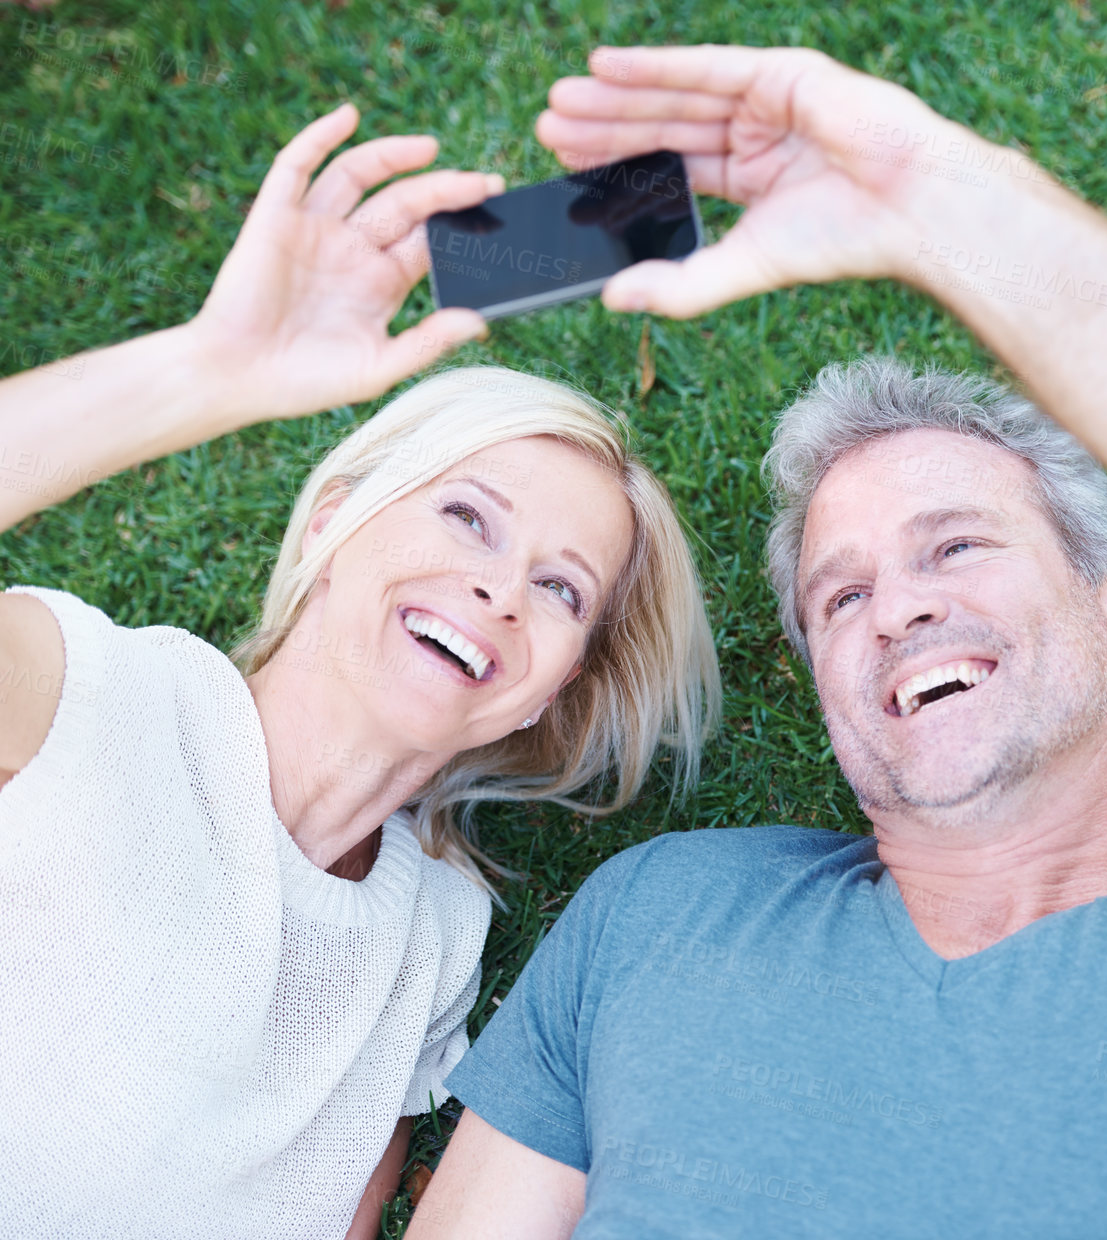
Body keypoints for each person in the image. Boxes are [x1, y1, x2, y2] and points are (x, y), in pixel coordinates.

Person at [411, 43, 1107, 1240]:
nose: (899, 606)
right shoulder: (663, 917)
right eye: (840, 599)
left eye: (956, 547)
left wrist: (949, 206)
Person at [0, 102, 719, 1238]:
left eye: (560, 588)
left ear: (554, 689)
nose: (499, 589)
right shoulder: (84, 694)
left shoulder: (434, 938)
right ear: (336, 521)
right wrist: (209, 370)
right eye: (468, 517)